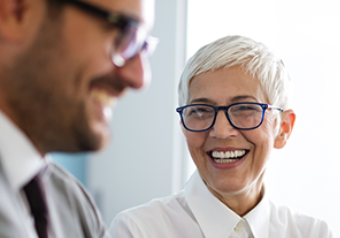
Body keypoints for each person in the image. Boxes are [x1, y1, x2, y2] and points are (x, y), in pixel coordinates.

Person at [108, 35, 335, 238]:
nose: (221, 132)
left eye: (245, 108)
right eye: (200, 111)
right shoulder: (137, 231)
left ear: (283, 128)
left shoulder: (314, 234)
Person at [0, 0, 157, 237]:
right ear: (17, 12)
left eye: (140, 45)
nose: (140, 78)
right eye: (124, 34)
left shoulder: (75, 209)